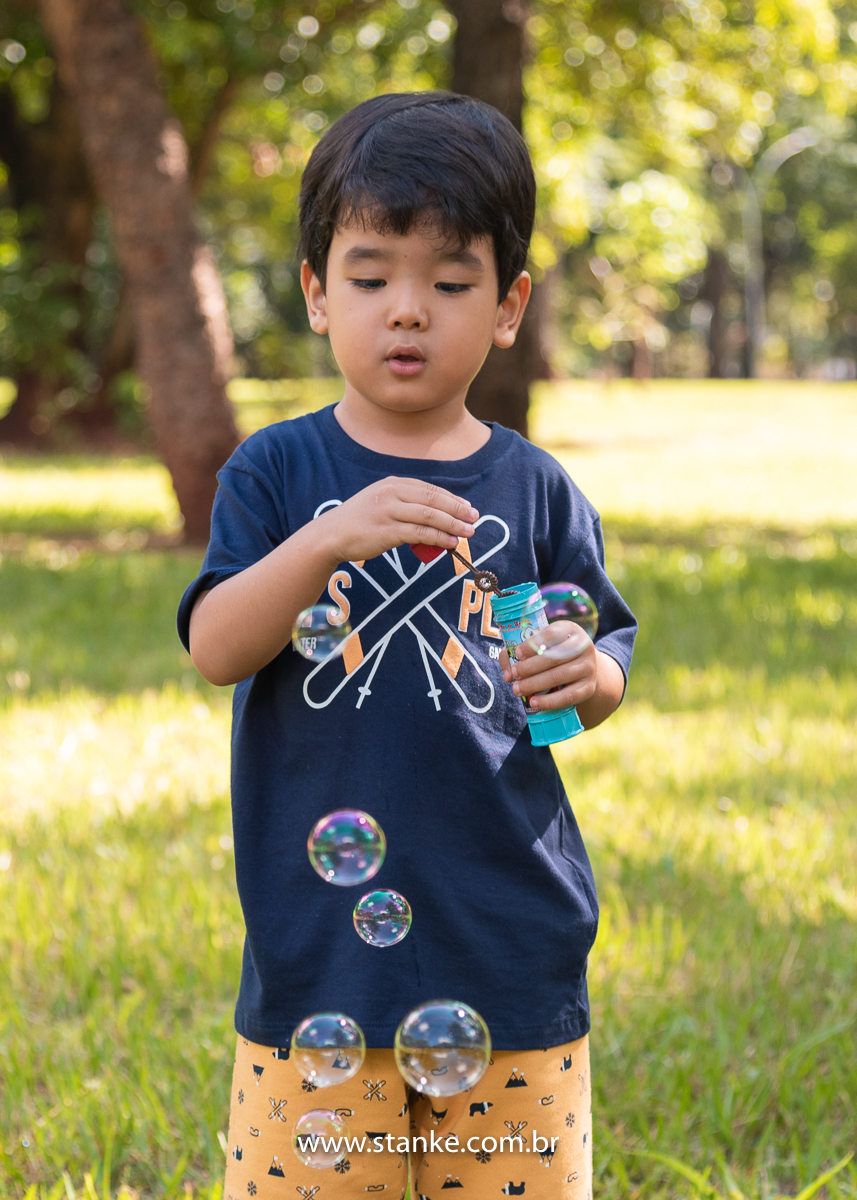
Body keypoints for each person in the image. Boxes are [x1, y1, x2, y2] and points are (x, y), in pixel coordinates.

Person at [178, 91, 637, 1200]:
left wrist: (591, 675)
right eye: (371, 275)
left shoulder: (530, 490)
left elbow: (572, 678)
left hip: (508, 941)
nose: (407, 312)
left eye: (448, 281)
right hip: (320, 954)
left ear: (509, 304)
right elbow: (216, 644)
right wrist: (326, 542)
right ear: (316, 296)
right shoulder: (278, 476)